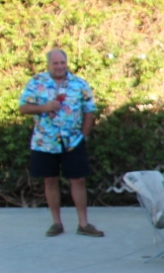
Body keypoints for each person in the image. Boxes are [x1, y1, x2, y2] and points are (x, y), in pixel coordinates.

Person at [19, 48, 103, 237]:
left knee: (78, 180)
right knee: (50, 180)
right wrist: (43, 107)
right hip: (45, 142)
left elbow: (89, 110)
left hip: (73, 141)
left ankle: (83, 224)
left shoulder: (79, 83)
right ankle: (56, 223)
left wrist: (84, 136)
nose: (59, 67)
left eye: (62, 63)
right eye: (55, 63)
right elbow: (23, 108)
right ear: (48, 65)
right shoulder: (37, 82)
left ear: (66, 63)